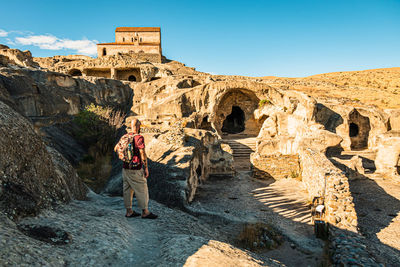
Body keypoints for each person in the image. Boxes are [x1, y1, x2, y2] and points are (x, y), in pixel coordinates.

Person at [114, 118, 158, 219]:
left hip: (125, 168)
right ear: (139, 126)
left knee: (127, 190)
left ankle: (129, 211)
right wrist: (146, 167)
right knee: (142, 189)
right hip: (136, 169)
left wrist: (123, 156)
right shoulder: (139, 138)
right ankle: (145, 212)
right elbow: (142, 153)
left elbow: (116, 148)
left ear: (130, 126)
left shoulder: (125, 136)